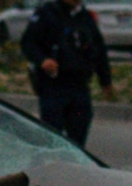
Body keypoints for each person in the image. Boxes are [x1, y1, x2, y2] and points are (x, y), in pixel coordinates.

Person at [20, 0, 115, 147]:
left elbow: (99, 51)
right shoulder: (47, 14)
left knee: (78, 138)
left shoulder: (85, 17)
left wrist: (105, 81)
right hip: (53, 86)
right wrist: (42, 60)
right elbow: (28, 43)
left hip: (79, 86)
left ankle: (74, 167)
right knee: (52, 137)